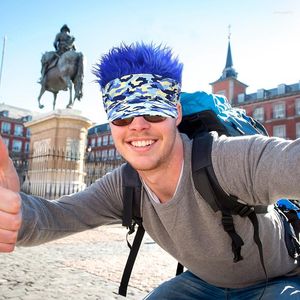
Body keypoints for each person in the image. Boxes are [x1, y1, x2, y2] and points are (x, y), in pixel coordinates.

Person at [1, 42, 300, 299]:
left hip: (275, 282)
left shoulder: (228, 160)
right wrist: (15, 214)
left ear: (176, 114)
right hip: (203, 284)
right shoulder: (125, 184)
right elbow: (54, 217)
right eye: (122, 116)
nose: (138, 125)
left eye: (154, 111)